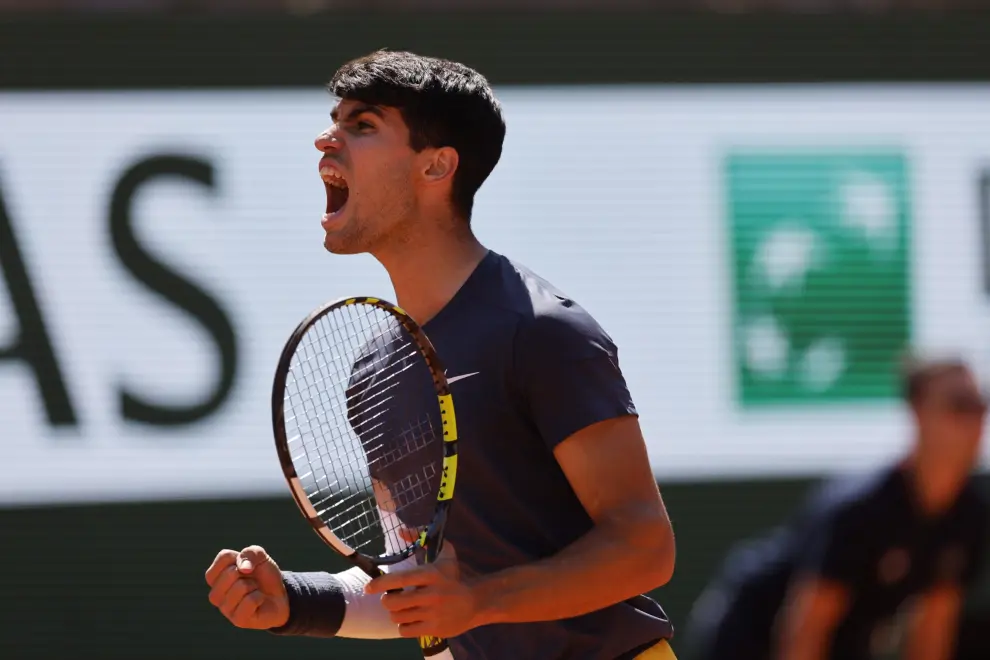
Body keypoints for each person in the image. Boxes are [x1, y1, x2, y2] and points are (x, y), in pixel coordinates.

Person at [203, 50, 677, 660]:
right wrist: (294, 600)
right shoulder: (376, 370)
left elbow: (645, 548)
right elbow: (414, 587)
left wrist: (482, 599)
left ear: (436, 167)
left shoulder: (542, 332)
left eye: (363, 125)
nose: (326, 139)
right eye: (335, 120)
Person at [682, 356, 990, 660]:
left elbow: (933, 629)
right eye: (960, 405)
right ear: (918, 411)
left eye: (980, 405)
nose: (975, 419)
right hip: (751, 635)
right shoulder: (861, 510)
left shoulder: (968, 515)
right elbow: (805, 632)